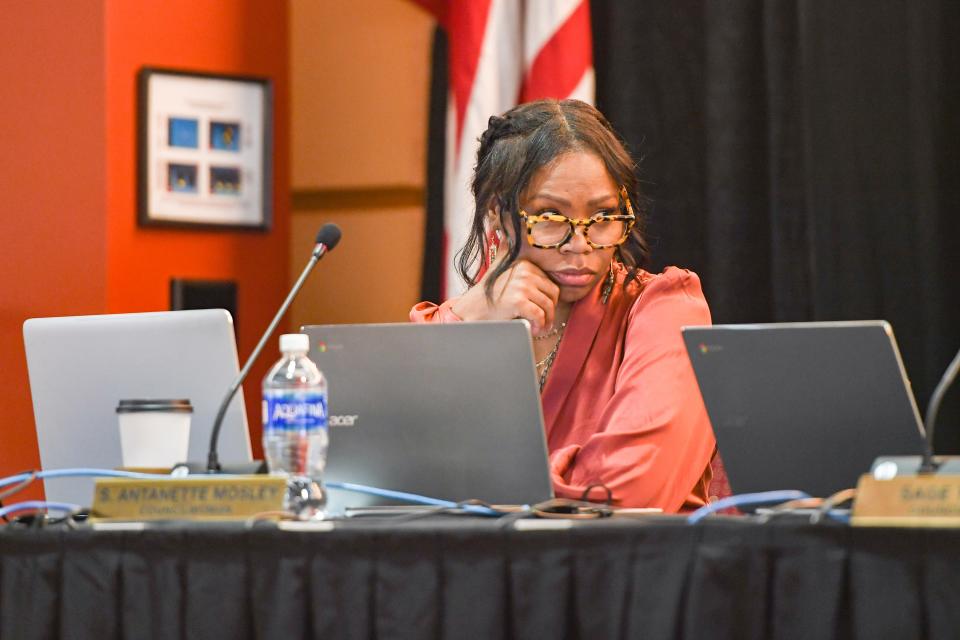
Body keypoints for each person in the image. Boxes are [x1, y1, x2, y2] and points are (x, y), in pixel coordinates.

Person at [411, 99, 716, 513]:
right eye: (551, 216)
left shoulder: (663, 309)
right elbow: (395, 479)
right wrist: (474, 312)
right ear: (500, 214)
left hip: (626, 569)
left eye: (604, 215)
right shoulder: (457, 322)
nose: (581, 245)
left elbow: (628, 493)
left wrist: (486, 492)